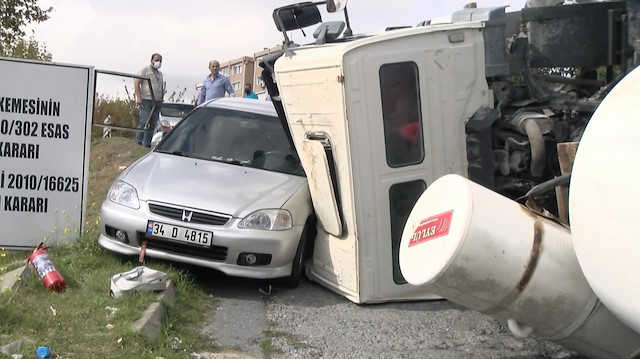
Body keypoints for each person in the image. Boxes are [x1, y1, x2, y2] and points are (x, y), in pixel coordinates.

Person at [134, 53, 165, 147]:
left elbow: (161, 86)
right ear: (152, 60)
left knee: (152, 124)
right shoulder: (145, 70)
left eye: (160, 61)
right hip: (146, 99)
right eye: (156, 60)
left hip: (157, 101)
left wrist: (162, 97)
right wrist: (138, 97)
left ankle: (147, 143)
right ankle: (138, 142)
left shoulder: (159, 74)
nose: (158, 62)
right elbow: (137, 82)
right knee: (144, 121)